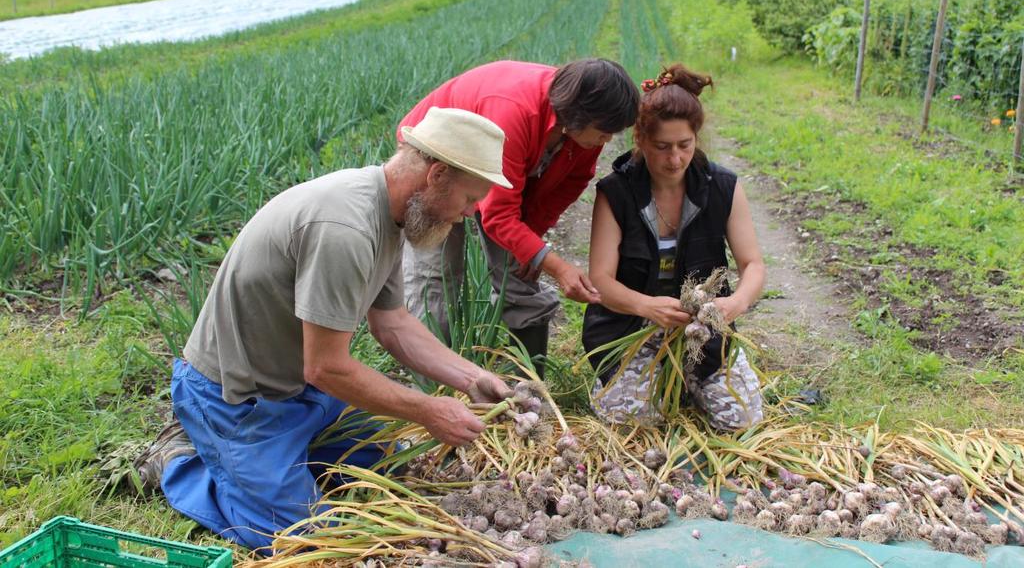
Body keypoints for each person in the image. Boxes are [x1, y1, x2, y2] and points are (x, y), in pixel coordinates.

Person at [134, 107, 513, 552]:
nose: (470, 213)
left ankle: (277, 456)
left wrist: (471, 378)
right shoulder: (345, 228)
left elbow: (392, 324)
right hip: (239, 400)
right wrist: (430, 411)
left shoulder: (391, 213)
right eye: (470, 198)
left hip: (306, 394)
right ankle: (178, 459)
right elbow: (327, 368)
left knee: (393, 465)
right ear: (437, 175)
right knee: (307, 539)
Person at [397, 59, 639, 377]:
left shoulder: (584, 131)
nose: (607, 141)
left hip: (501, 165)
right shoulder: (515, 112)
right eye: (605, 132)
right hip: (438, 161)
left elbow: (572, 182)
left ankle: (528, 384)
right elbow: (498, 214)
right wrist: (556, 265)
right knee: (437, 276)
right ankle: (432, 381)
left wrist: (533, 243)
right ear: (578, 116)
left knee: (521, 276)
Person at [582, 64, 765, 430]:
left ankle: (687, 375)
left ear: (696, 138)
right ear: (640, 140)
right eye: (662, 147)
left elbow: (753, 264)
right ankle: (626, 379)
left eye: (685, 145)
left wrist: (736, 303)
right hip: (629, 327)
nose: (675, 159)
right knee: (635, 421)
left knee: (743, 420)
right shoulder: (616, 193)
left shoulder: (723, 187)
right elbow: (600, 279)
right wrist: (645, 305)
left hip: (701, 331)